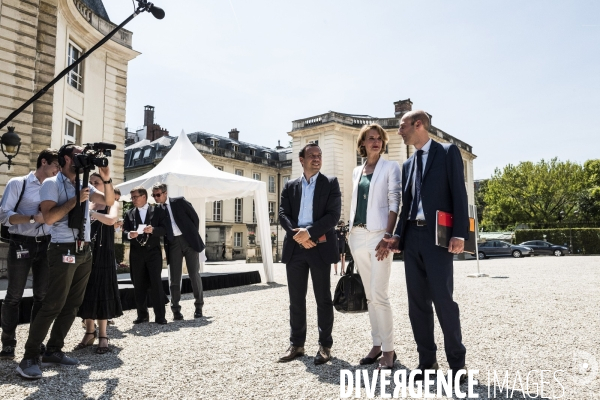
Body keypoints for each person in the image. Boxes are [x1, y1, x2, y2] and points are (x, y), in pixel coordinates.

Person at [16, 144, 114, 379]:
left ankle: (54, 350)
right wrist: (76, 201)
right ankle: (29, 357)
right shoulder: (52, 183)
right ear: (67, 159)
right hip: (62, 248)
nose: (84, 158)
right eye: (79, 154)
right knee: (53, 304)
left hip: (84, 250)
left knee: (73, 304)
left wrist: (107, 178)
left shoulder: (84, 183)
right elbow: (49, 217)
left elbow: (108, 200)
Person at [384, 110, 469, 383]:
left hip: (439, 239)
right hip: (413, 240)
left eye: (402, 126)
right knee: (417, 304)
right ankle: (427, 362)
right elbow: (406, 205)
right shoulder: (407, 165)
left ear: (417, 124)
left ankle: (457, 365)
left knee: (444, 303)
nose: (399, 132)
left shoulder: (447, 153)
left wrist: (460, 234)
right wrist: (398, 236)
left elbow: (459, 193)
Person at [278, 143, 341, 365]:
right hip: (296, 249)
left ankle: (325, 346)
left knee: (323, 299)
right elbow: (283, 214)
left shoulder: (330, 183)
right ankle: (297, 344)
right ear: (301, 159)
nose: (316, 159)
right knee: (296, 300)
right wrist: (299, 236)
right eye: (312, 155)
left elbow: (333, 216)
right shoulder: (289, 186)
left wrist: (309, 233)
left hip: (319, 247)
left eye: (319, 155)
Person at [348, 123, 401, 369]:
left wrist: (388, 235)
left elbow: (394, 201)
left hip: (380, 235)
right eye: (371, 138)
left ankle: (389, 350)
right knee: (369, 296)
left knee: (380, 294)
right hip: (357, 236)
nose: (375, 141)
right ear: (363, 143)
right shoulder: (356, 171)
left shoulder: (391, 167)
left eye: (379, 138)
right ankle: (377, 344)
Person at [0, 149, 59, 360]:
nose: (58, 171)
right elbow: (4, 216)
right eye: (55, 166)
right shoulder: (18, 183)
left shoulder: (56, 187)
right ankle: (8, 343)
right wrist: (33, 218)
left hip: (47, 246)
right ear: (43, 162)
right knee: (14, 295)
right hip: (20, 244)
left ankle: (35, 342)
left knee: (42, 297)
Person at [75, 174, 123, 354]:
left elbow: (111, 220)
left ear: (105, 186)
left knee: (103, 290)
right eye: (91, 183)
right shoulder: (86, 202)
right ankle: (89, 331)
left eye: (97, 182)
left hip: (104, 253)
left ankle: (103, 335)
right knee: (86, 290)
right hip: (87, 251)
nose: (93, 185)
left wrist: (91, 214)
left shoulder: (113, 203)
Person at [151, 183, 206, 320]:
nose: (156, 198)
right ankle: (175, 309)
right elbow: (159, 229)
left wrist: (191, 234)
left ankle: (199, 306)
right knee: (174, 278)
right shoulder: (157, 210)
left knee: (194, 274)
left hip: (189, 241)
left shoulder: (179, 202)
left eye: (158, 195)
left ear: (165, 193)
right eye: (154, 195)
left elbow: (195, 218)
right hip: (173, 244)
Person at [123, 186, 169, 325]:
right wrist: (129, 234)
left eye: (135, 197)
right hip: (137, 253)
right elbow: (123, 233)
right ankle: (142, 315)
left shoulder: (158, 210)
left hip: (153, 252)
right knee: (138, 284)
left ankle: (160, 316)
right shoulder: (129, 213)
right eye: (132, 197)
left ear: (144, 196)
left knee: (156, 283)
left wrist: (153, 230)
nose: (133, 200)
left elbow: (165, 229)